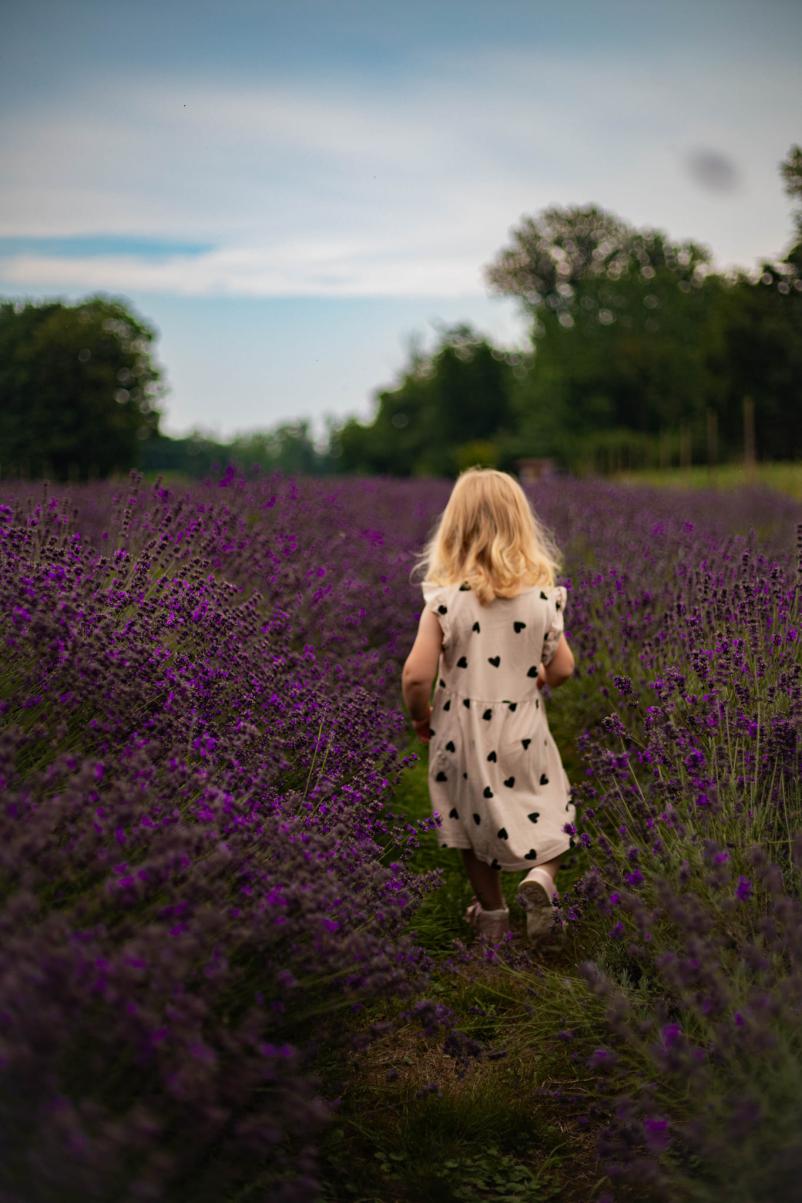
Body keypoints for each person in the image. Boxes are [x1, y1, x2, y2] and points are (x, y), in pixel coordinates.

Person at [401, 467, 576, 944]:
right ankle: (542, 877)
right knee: (550, 808)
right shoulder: (542, 600)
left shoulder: (445, 602)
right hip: (522, 724)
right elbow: (562, 669)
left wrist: (420, 715)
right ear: (522, 526)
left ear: (454, 530)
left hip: (461, 730)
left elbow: (416, 675)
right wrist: (534, 675)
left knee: (468, 819)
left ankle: (494, 915)